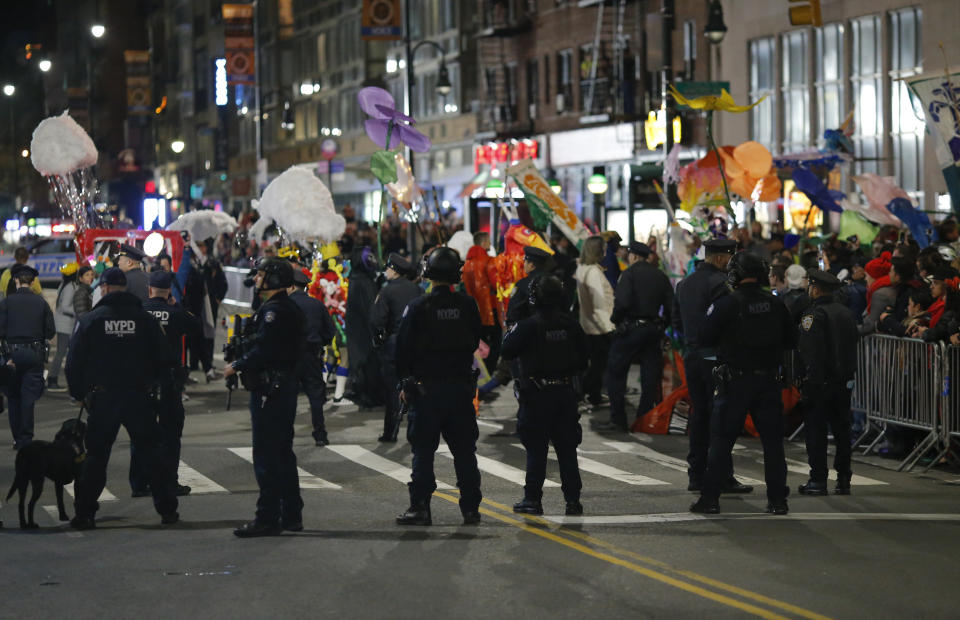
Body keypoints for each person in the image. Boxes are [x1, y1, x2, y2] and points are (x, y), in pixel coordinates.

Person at [65, 267, 179, 529]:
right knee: (151, 453)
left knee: (96, 457)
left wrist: (79, 394)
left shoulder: (92, 320)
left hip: (103, 398)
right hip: (138, 396)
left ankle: (85, 514)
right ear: (125, 288)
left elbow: (74, 363)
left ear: (103, 288)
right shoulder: (144, 319)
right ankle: (167, 510)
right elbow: (165, 358)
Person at [690, 252, 794, 515]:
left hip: (736, 381)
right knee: (772, 444)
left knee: (722, 441)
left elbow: (704, 337)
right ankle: (777, 500)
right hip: (768, 381)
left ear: (734, 275)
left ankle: (710, 499)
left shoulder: (728, 304)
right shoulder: (776, 305)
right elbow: (792, 340)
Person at [394, 247, 482, 526]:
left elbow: (402, 349)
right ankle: (470, 508)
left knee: (423, 452)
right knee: (465, 453)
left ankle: (420, 507)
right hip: (459, 388)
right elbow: (474, 340)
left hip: (426, 390)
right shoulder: (467, 305)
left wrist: (405, 382)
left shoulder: (419, 307)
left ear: (428, 273)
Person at [223, 258, 306, 537]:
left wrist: (237, 365)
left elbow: (265, 350)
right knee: (282, 452)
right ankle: (291, 513)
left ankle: (268, 517)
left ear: (273, 279)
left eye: (261, 275)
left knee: (268, 455)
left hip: (271, 390)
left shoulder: (275, 311)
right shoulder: (282, 307)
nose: (256, 279)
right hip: (281, 388)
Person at [501, 275, 588, 516]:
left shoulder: (529, 326)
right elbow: (584, 359)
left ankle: (533, 499)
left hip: (537, 394)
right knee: (567, 450)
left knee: (537, 450)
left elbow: (506, 348)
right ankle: (573, 501)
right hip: (565, 392)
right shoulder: (571, 325)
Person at [672, 239, 751, 494]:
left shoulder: (684, 284)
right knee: (721, 418)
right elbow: (729, 320)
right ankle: (722, 475)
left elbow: (675, 320)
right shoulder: (720, 284)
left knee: (699, 415)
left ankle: (696, 474)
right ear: (720, 259)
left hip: (692, 355)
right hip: (715, 357)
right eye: (729, 258)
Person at [129, 270, 201, 498]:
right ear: (168, 291)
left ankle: (139, 483)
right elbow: (196, 327)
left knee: (141, 432)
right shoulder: (175, 313)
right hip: (169, 381)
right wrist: (176, 306)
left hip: (142, 382)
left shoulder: (139, 311)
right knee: (170, 434)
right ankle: (169, 481)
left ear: (149, 289)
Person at [595, 241, 673, 433]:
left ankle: (618, 419)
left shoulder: (628, 275)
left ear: (634, 256)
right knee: (650, 377)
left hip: (630, 330)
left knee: (616, 373)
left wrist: (615, 320)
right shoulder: (660, 276)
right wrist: (662, 325)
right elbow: (672, 306)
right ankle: (644, 419)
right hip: (653, 330)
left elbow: (622, 303)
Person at [797, 269, 859, 496]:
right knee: (843, 432)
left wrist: (809, 379)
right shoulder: (846, 313)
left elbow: (810, 351)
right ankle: (844, 479)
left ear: (815, 288)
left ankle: (818, 479)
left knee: (816, 432)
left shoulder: (813, 315)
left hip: (819, 382)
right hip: (843, 382)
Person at [0, 264, 56, 449]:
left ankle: (18, 438)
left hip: (11, 355)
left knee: (14, 398)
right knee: (28, 399)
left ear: (15, 280)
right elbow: (50, 331)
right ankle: (26, 439)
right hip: (34, 355)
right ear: (32, 282)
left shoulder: (6, 303)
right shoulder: (41, 303)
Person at [371, 253, 421, 442]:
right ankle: (415, 429)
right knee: (415, 386)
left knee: (392, 390)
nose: (386, 271)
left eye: (388, 268)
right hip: (415, 344)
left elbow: (377, 320)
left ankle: (390, 431)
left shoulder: (386, 291)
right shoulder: (416, 290)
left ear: (395, 271)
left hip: (394, 343)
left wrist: (379, 339)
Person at [288, 266, 336, 447]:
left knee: (289, 396)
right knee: (315, 397)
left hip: (291, 357)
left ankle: (287, 434)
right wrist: (319, 342)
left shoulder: (286, 304)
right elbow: (330, 331)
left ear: (292, 287)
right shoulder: (317, 304)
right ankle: (320, 434)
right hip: (312, 355)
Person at [574, 235, 615, 407]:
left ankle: (594, 395)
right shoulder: (594, 273)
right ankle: (582, 393)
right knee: (599, 365)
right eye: (603, 248)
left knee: (595, 363)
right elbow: (599, 303)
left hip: (588, 323)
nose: (606, 252)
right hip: (599, 326)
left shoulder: (583, 268)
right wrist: (609, 327)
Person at [183, 238, 227, 382]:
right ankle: (198, 365)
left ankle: (207, 365)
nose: (200, 249)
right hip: (192, 307)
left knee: (206, 335)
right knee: (194, 337)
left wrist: (217, 298)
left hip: (206, 305)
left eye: (201, 246)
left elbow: (221, 282)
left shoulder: (211, 263)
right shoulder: (189, 264)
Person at [462, 232, 501, 373]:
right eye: (488, 241)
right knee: (496, 340)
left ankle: (479, 373)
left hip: (474, 309)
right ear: (483, 243)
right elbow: (497, 284)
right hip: (490, 309)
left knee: (479, 342)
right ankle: (489, 371)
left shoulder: (466, 264)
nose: (490, 244)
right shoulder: (489, 261)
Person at [47, 262, 80, 391]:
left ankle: (53, 379)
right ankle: (52, 379)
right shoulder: (71, 287)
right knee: (61, 353)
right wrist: (75, 311)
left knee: (63, 353)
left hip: (62, 323)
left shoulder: (64, 285)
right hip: (65, 324)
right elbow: (65, 306)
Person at [506, 246, 552, 327]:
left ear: (531, 265)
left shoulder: (522, 284)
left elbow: (513, 313)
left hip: (530, 332)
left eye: (525, 262)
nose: (524, 265)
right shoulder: (555, 282)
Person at [860, 251, 895, 334]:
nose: (865, 279)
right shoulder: (886, 289)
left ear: (875, 276)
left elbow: (870, 325)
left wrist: (850, 330)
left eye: (867, 276)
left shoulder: (880, 294)